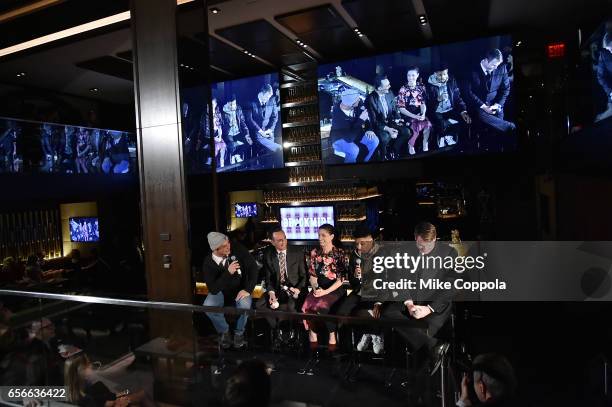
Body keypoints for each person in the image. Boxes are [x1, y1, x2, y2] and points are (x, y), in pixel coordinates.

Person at [381, 221, 456, 373]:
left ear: (435, 239)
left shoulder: (449, 253)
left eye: (427, 246)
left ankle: (424, 371)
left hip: (436, 305)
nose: (423, 250)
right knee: (387, 312)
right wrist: (409, 304)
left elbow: (451, 287)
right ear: (415, 238)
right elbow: (397, 280)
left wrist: (429, 308)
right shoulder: (403, 251)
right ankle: (433, 346)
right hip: (411, 301)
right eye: (420, 245)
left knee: (423, 327)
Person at [334, 223, 385, 354]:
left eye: (362, 244)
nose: (359, 247)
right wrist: (357, 277)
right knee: (342, 311)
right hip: (360, 291)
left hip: (377, 293)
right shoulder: (355, 255)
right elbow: (352, 281)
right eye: (356, 244)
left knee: (373, 311)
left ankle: (375, 335)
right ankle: (346, 349)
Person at [202, 232, 258, 349]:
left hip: (241, 289)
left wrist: (248, 289)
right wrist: (228, 273)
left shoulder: (237, 248)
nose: (229, 247)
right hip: (220, 291)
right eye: (225, 246)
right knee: (208, 306)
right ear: (216, 249)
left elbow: (253, 267)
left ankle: (239, 333)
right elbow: (213, 289)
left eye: (228, 243)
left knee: (245, 306)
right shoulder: (208, 262)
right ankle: (225, 331)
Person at [301, 224, 348, 350]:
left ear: (332, 236)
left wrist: (325, 292)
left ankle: (332, 336)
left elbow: (341, 279)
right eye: (319, 235)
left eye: (323, 235)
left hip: (335, 290)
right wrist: (316, 288)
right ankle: (313, 338)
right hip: (320, 289)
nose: (320, 238)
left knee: (321, 308)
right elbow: (312, 275)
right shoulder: (315, 253)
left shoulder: (339, 253)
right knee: (307, 308)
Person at [256, 227, 306, 329]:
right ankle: (276, 328)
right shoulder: (268, 254)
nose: (283, 242)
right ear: (273, 242)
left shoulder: (297, 252)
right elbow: (268, 277)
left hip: (294, 288)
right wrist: (271, 293)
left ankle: (292, 330)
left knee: (291, 306)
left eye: (284, 238)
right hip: (277, 288)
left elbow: (304, 276)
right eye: (279, 240)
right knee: (259, 304)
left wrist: (298, 289)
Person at [65, 353, 154, 407]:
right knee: (140, 396)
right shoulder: (85, 398)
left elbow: (111, 397)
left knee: (137, 397)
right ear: (81, 371)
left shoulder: (89, 386)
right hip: (112, 400)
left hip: (113, 397)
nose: (91, 366)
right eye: (88, 364)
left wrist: (126, 393)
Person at [465, 49, 515, 136]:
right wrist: (484, 107)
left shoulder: (501, 68)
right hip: (479, 105)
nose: (496, 68)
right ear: (485, 60)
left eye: (498, 65)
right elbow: (468, 92)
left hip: (495, 104)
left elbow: (505, 89)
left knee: (499, 131)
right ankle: (511, 127)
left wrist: (498, 104)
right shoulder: (470, 69)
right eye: (494, 65)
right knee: (482, 117)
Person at [365, 74, 410, 160]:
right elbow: (373, 121)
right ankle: (383, 155)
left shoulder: (390, 93)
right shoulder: (370, 99)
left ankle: (394, 150)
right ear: (379, 88)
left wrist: (398, 118)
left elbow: (394, 108)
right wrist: (389, 129)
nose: (389, 86)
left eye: (389, 84)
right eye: (387, 86)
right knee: (385, 138)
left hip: (390, 122)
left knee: (406, 132)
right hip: (378, 125)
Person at [329, 89, 379, 163]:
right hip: (339, 138)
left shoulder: (358, 103)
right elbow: (349, 139)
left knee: (374, 140)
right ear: (351, 105)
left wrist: (369, 129)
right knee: (353, 150)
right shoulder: (337, 116)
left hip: (354, 133)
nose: (359, 100)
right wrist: (361, 120)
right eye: (357, 100)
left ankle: (365, 162)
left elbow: (366, 116)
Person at [427, 65, 472, 148]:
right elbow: (427, 104)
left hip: (450, 109)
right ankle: (442, 138)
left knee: (462, 120)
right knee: (441, 123)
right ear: (435, 74)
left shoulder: (451, 81)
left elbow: (457, 98)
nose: (443, 77)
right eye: (440, 75)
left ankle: (451, 138)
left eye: (444, 74)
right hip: (436, 111)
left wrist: (463, 111)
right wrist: (437, 99)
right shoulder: (429, 85)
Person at [397, 67, 432, 154]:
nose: (410, 77)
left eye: (413, 75)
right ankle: (411, 144)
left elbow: (423, 103)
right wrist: (415, 116)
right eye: (408, 75)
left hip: (418, 113)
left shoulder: (421, 87)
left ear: (417, 75)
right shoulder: (403, 89)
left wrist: (423, 113)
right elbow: (401, 109)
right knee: (415, 128)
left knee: (428, 125)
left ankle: (425, 143)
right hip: (407, 115)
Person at [247, 84, 281, 154]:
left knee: (272, 153)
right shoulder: (251, 102)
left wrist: (270, 129)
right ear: (262, 93)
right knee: (278, 149)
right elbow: (249, 119)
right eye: (267, 97)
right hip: (257, 133)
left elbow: (275, 117)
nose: (268, 99)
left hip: (269, 131)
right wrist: (261, 131)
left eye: (269, 97)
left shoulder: (271, 100)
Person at [222, 95, 252, 165]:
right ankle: (233, 156)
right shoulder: (223, 112)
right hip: (229, 134)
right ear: (227, 104)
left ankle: (236, 155)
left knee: (249, 142)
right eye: (231, 105)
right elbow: (222, 129)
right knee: (232, 145)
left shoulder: (238, 108)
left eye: (234, 104)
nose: (234, 106)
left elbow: (242, 122)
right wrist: (229, 125)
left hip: (238, 132)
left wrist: (247, 134)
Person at [595, 33, 612, 122]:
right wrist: (610, 92)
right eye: (608, 49)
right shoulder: (604, 54)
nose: (610, 51)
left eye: (611, 48)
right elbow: (601, 77)